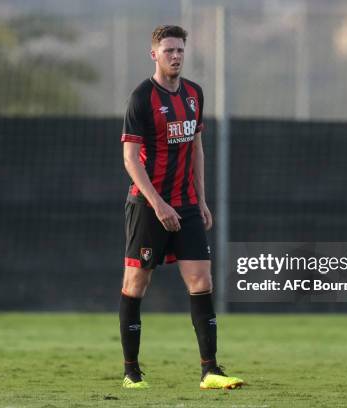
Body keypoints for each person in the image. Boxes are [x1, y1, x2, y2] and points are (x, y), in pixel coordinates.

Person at [119, 24, 244, 390]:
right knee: (136, 283)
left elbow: (196, 149)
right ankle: (132, 373)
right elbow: (131, 159)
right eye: (168, 50)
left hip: (186, 204)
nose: (175, 56)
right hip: (147, 205)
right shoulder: (141, 98)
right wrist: (158, 205)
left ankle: (210, 371)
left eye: (180, 50)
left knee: (201, 280)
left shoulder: (194, 94)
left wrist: (200, 200)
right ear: (153, 54)